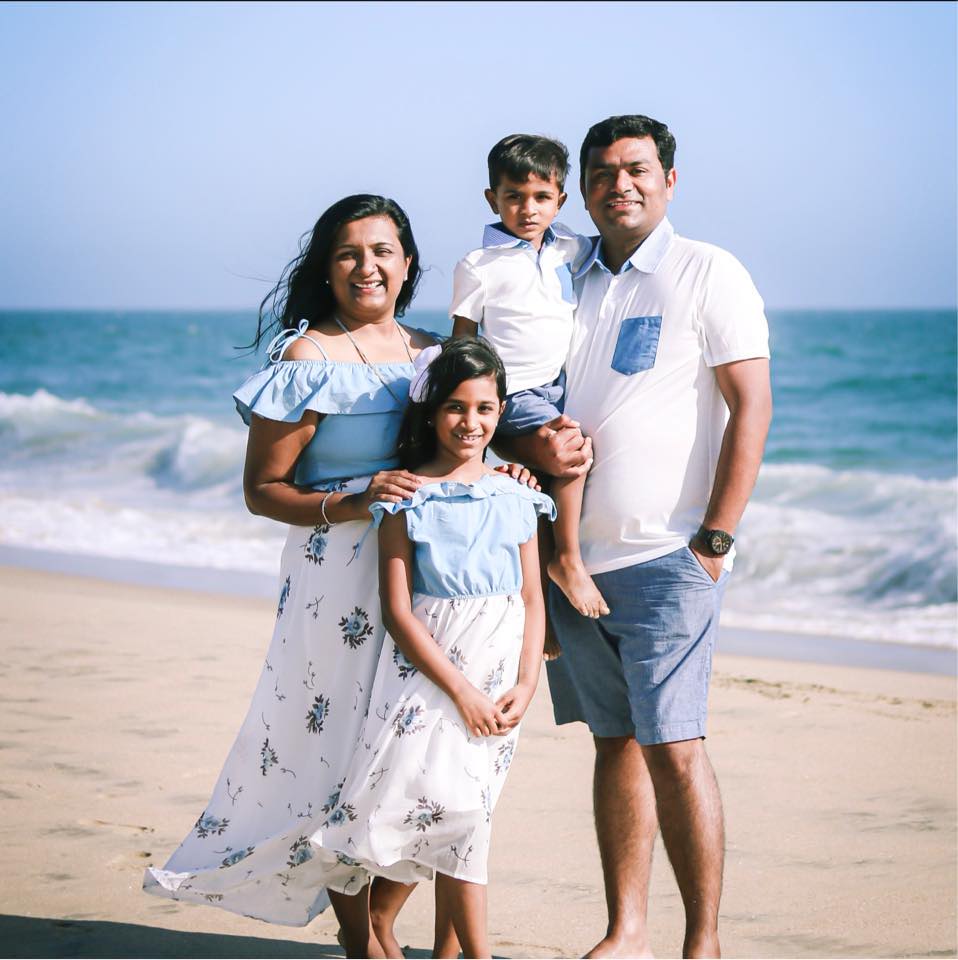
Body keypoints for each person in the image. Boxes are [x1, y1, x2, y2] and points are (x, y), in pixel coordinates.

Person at [501, 115, 773, 958]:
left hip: (667, 558)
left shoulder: (707, 270)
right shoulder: (562, 276)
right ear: (581, 187)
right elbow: (521, 397)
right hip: (570, 556)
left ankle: (705, 943)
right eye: (602, 173)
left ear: (669, 180)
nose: (620, 184)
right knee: (614, 742)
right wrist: (520, 455)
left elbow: (751, 406)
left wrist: (714, 542)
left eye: (637, 169)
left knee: (676, 748)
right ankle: (626, 932)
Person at [143, 194, 436, 958]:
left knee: (414, 751)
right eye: (349, 253)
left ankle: (384, 923)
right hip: (336, 577)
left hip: (430, 576)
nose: (368, 266)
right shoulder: (308, 358)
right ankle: (359, 938)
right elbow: (263, 491)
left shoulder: (436, 351)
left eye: (383, 250)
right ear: (327, 269)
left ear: (408, 263)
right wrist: (354, 500)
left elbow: (473, 443)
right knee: (338, 751)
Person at [306, 337, 555, 960]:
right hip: (432, 679)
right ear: (430, 412)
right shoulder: (405, 499)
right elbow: (397, 611)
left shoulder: (519, 496)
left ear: (500, 413)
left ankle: (415, 939)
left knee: (463, 818)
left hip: (499, 685)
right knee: (418, 812)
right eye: (455, 408)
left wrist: (526, 683)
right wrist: (461, 693)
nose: (471, 422)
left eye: (485, 408)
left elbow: (531, 599)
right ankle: (398, 940)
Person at [450, 133, 607, 621]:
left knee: (535, 492)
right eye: (513, 196)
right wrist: (473, 412)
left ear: (561, 200)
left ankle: (537, 610)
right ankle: (568, 560)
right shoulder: (478, 265)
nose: (528, 209)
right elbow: (463, 341)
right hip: (513, 390)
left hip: (563, 384)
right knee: (571, 453)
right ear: (491, 198)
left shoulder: (571, 250)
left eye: (542, 197)